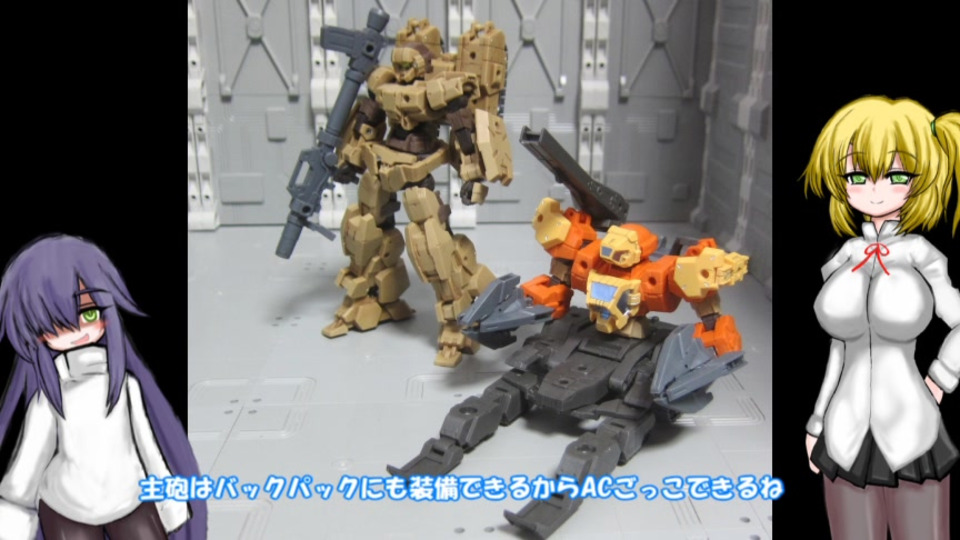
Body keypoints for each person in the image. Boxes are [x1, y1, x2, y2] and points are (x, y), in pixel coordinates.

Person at [802, 96, 959, 539]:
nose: (874, 190)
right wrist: (817, 421)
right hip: (843, 433)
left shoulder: (922, 255)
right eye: (856, 176)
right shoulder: (844, 257)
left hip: (912, 431)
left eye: (895, 176)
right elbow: (838, 347)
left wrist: (942, 377)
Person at [0, 235, 206, 539]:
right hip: (67, 510)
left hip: (132, 499)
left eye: (89, 313)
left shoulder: (126, 386)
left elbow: (150, 450)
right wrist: (14, 520)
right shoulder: (48, 400)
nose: (78, 332)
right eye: (55, 325)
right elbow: (27, 468)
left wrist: (171, 504)